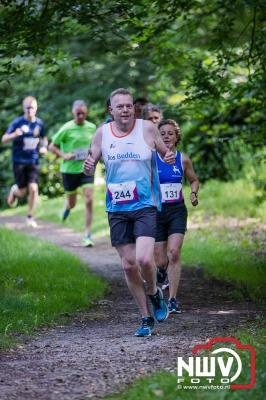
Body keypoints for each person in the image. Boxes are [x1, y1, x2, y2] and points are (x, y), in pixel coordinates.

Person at [84, 88, 176, 337]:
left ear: (133, 108)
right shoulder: (102, 133)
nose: (125, 110)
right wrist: (88, 165)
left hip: (145, 205)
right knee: (128, 265)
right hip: (117, 208)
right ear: (110, 110)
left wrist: (168, 157)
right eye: (120, 106)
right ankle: (145, 317)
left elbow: (164, 152)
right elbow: (90, 162)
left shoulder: (146, 128)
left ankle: (154, 292)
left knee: (145, 260)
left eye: (128, 105)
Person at [154, 119, 199, 313]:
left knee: (174, 253)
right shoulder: (150, 158)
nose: (166, 136)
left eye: (170, 133)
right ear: (157, 137)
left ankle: (172, 299)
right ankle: (161, 273)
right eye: (162, 133)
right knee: (160, 261)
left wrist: (193, 192)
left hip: (176, 211)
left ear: (176, 136)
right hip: (156, 211)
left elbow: (193, 179)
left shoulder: (183, 159)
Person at [49, 100, 96, 247]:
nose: (80, 116)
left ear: (86, 112)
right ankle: (67, 207)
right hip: (69, 170)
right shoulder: (67, 128)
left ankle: (87, 234)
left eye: (83, 113)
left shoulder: (92, 127)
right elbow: (51, 146)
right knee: (72, 203)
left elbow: (96, 145)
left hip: (86, 169)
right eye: (78, 113)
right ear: (73, 113)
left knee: (89, 199)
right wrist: (64, 155)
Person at [1, 96, 47, 227]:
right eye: (27, 107)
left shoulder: (39, 123)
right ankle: (15, 190)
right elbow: (4, 139)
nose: (29, 110)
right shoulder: (17, 123)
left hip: (33, 160)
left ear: (36, 108)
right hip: (19, 161)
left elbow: (44, 138)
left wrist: (43, 146)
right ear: (23, 108)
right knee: (22, 192)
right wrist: (14, 134)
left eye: (32, 107)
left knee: (33, 188)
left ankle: (30, 217)